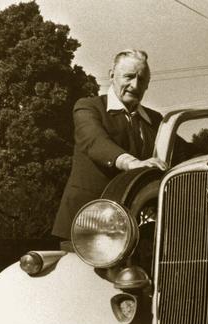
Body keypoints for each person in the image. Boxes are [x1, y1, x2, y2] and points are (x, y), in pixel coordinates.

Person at [52, 49, 165, 239]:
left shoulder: (155, 120)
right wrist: (132, 163)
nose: (135, 85)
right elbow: (95, 141)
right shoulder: (88, 107)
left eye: (142, 80)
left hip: (136, 229)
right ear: (112, 75)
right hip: (87, 225)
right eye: (129, 77)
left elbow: (185, 151)